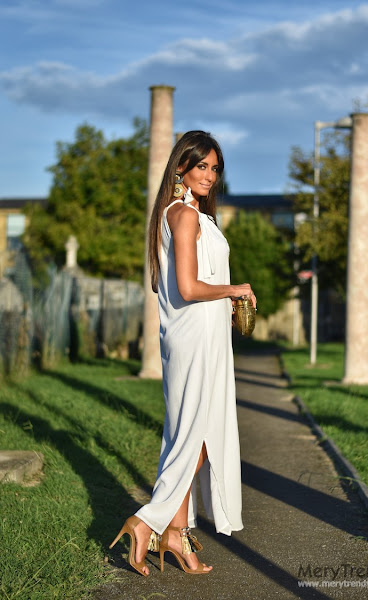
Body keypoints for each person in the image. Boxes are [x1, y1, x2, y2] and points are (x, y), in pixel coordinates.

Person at [109, 130, 256, 576]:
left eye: (215, 168)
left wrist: (226, 299)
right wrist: (234, 289)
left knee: (189, 435)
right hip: (197, 337)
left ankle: (175, 533)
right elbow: (189, 288)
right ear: (180, 168)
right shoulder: (185, 215)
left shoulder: (180, 213)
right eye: (201, 166)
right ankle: (148, 522)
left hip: (196, 335)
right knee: (199, 437)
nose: (209, 175)